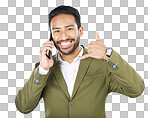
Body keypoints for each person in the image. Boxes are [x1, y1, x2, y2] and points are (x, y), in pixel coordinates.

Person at [15, 5, 145, 118]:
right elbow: (23, 107)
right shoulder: (43, 69)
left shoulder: (102, 63)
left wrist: (108, 55)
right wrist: (43, 70)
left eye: (69, 29)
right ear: (51, 36)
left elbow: (136, 90)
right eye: (57, 31)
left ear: (80, 31)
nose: (63, 36)